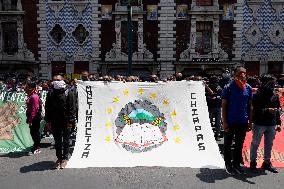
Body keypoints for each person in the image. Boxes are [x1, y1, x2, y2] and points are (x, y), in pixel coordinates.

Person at [221, 66, 253, 175]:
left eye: (244, 73)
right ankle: (228, 164)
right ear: (235, 75)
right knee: (228, 144)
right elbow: (224, 106)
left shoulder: (248, 88)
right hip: (230, 121)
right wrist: (224, 122)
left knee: (239, 144)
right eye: (240, 73)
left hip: (243, 121)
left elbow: (250, 106)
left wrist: (250, 122)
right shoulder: (228, 87)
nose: (242, 75)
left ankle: (236, 164)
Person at [250, 74, 281, 173]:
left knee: (269, 144)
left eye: (274, 83)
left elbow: (277, 110)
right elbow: (254, 110)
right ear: (264, 83)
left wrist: (278, 123)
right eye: (271, 83)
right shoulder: (257, 95)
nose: (273, 85)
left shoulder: (275, 95)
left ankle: (267, 162)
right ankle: (253, 162)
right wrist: (267, 110)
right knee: (255, 143)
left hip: (271, 124)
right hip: (259, 123)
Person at [45, 75, 77, 169]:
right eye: (54, 80)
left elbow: (72, 109)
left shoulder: (69, 92)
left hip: (66, 121)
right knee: (57, 141)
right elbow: (48, 108)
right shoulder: (50, 93)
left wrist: (71, 121)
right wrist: (48, 121)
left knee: (66, 140)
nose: (56, 81)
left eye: (58, 80)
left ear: (63, 81)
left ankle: (65, 158)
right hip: (55, 121)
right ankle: (59, 158)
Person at [25, 81, 42, 155]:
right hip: (32, 117)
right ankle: (36, 145)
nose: (25, 88)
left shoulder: (34, 96)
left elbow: (34, 110)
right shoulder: (31, 95)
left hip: (34, 117)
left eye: (27, 86)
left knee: (35, 132)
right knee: (33, 132)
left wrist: (31, 120)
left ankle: (37, 147)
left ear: (31, 88)